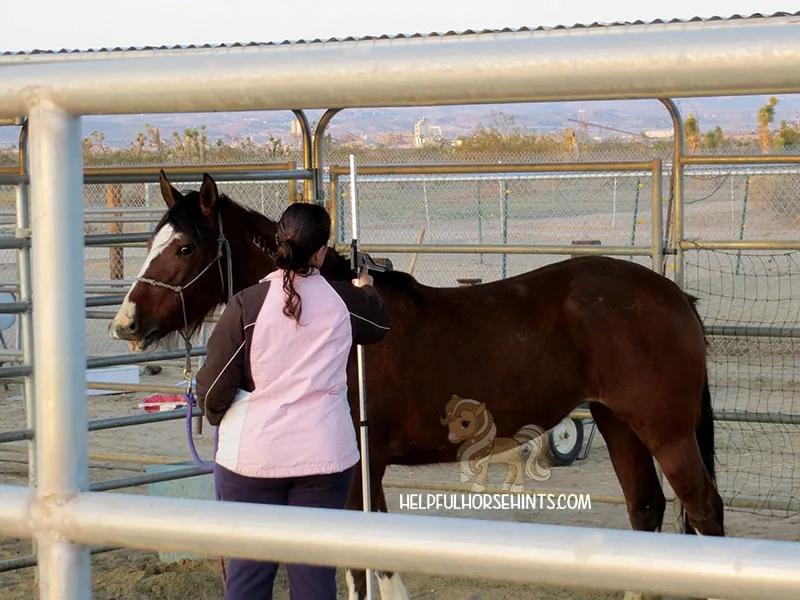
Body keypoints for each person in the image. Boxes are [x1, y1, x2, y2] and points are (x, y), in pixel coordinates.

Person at [195, 202, 390, 600]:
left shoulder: (246, 305)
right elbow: (379, 324)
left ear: (278, 243)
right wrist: (365, 289)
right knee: (315, 576)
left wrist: (218, 414)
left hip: (252, 458)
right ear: (321, 252)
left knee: (248, 576)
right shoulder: (345, 302)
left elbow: (213, 388)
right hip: (325, 457)